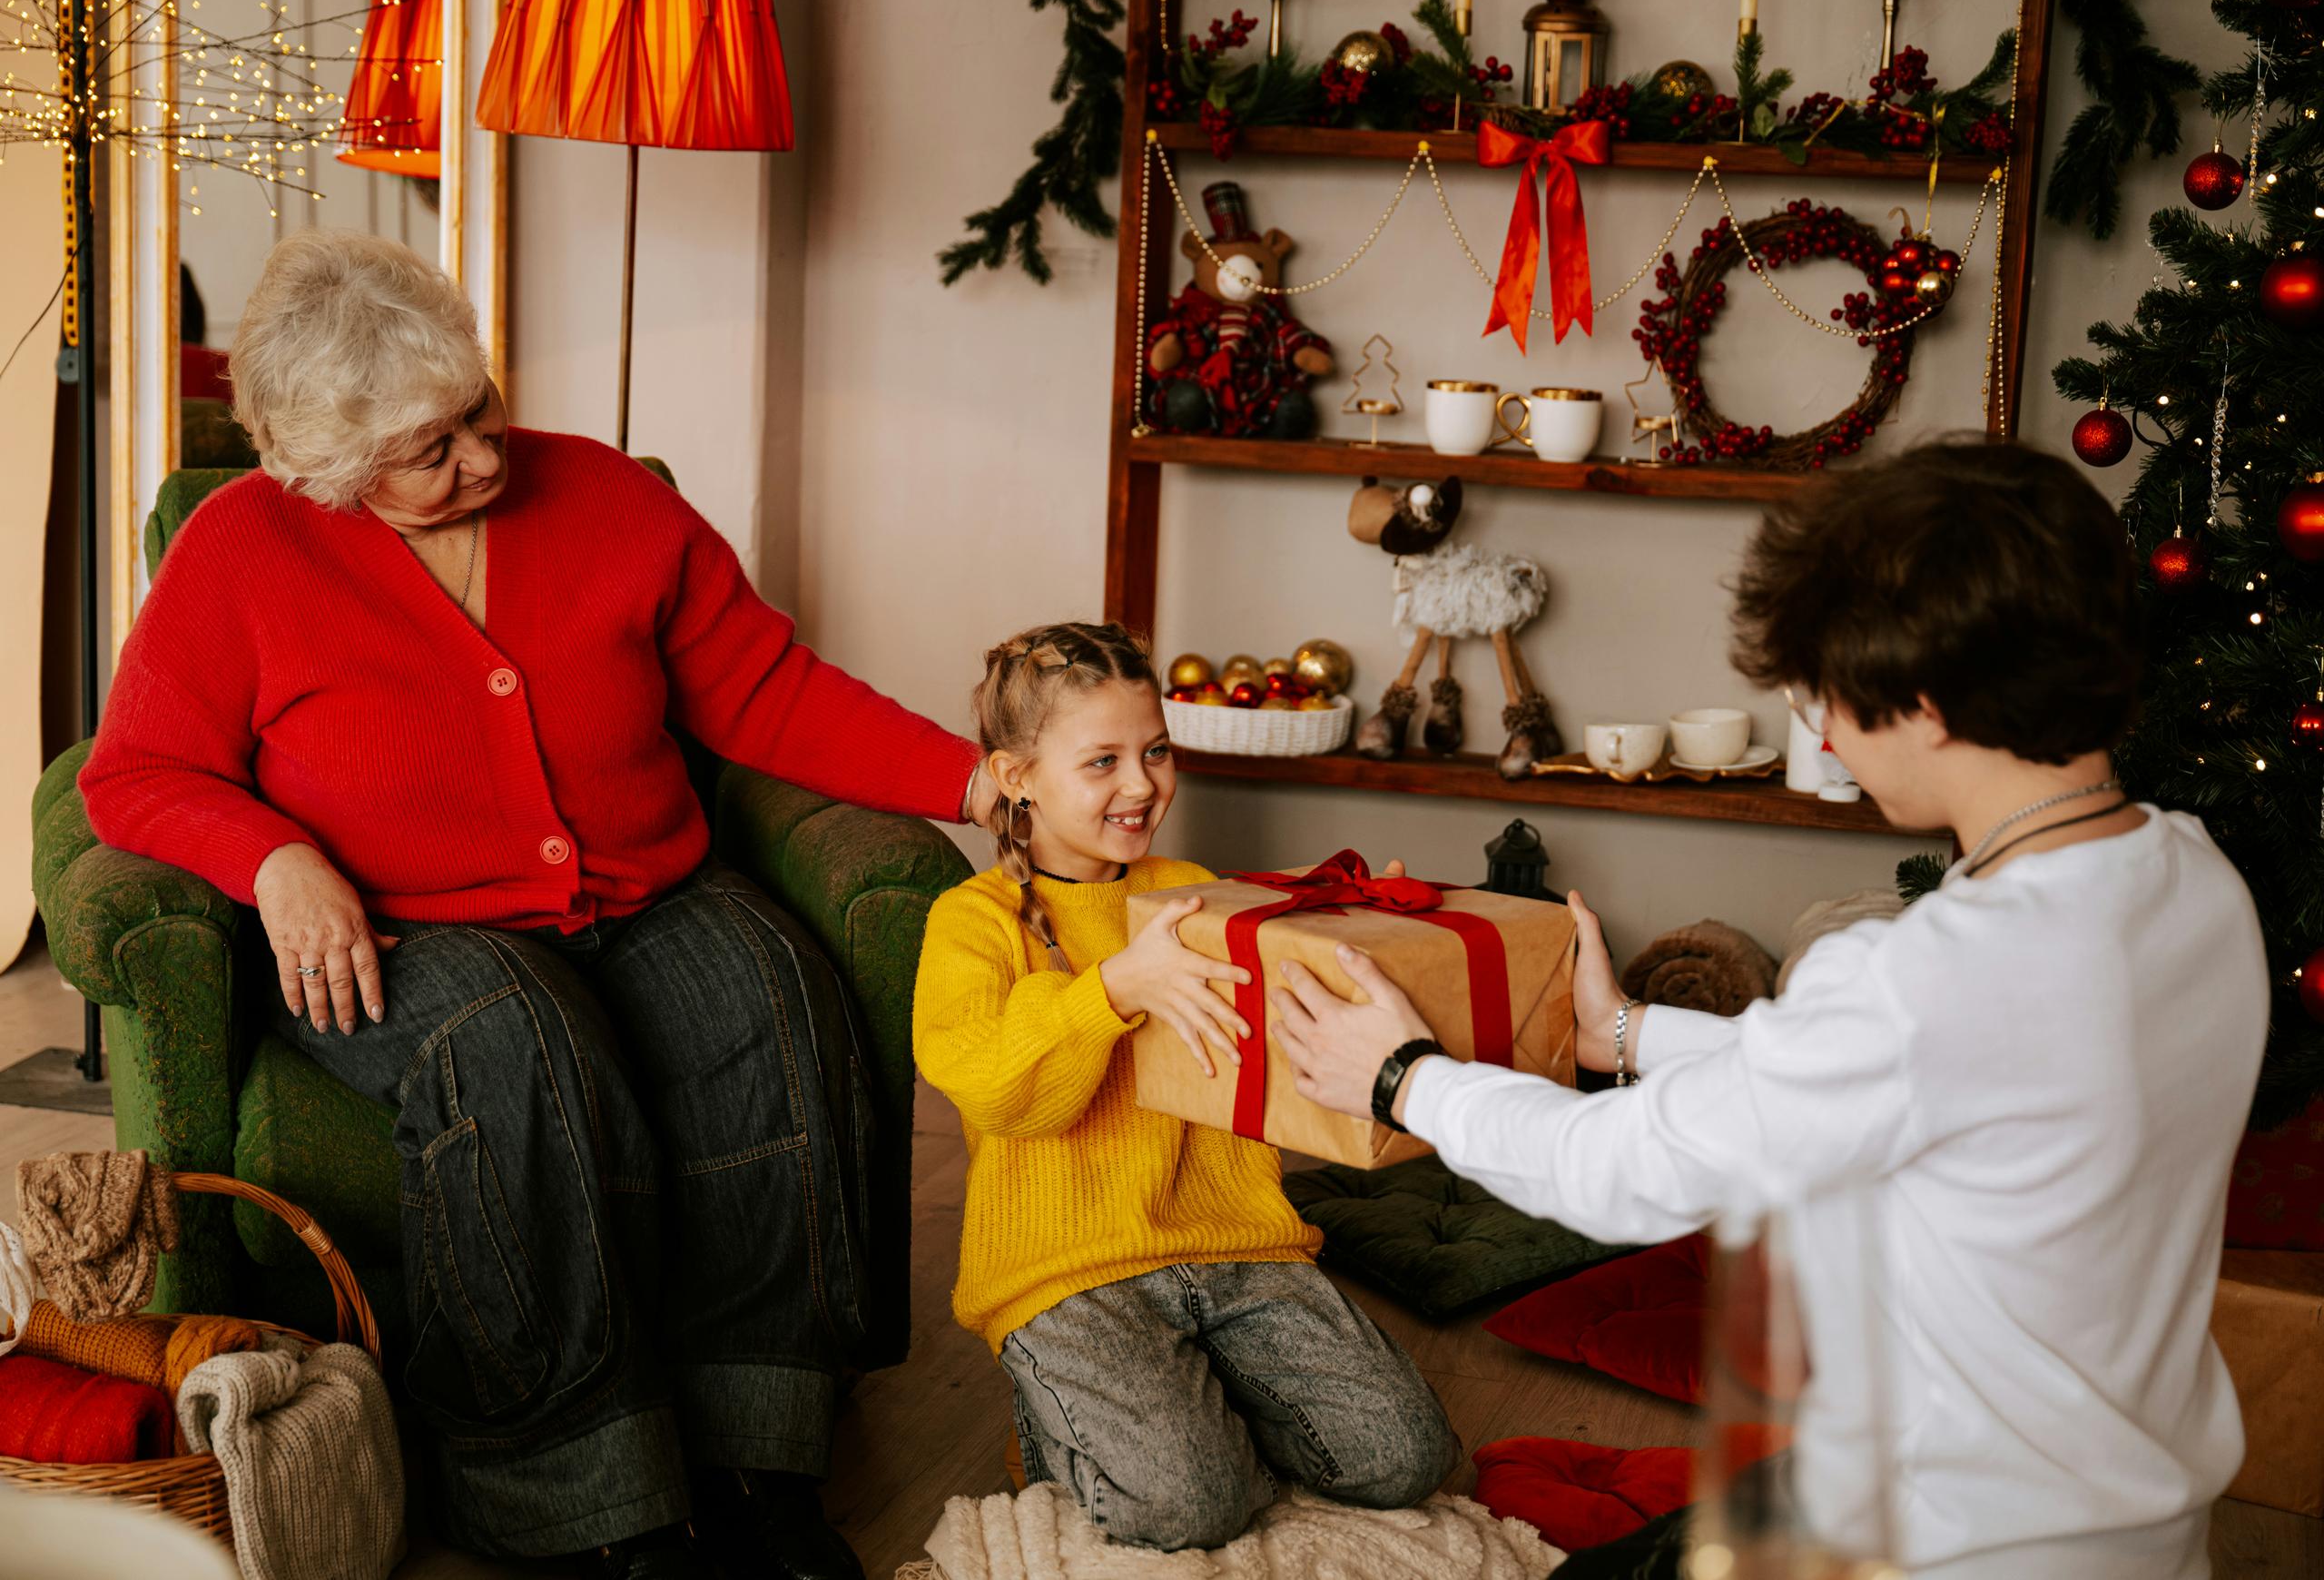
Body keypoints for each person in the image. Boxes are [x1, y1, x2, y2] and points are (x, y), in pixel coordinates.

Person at [81, 230, 999, 1580]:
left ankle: (762, 1464)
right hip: (410, 930)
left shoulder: (613, 499)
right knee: (516, 1052)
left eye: (480, 413)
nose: (485, 462)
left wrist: (979, 779)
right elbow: (133, 772)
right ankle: (585, 1502)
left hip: (644, 889)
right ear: (319, 466)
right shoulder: (243, 551)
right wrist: (274, 855)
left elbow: (765, 692)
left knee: (772, 1001)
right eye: (430, 450)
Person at [1268, 440, 2267, 1580]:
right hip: (2136, 1537)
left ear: (1928, 698)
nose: (1826, 731)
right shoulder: (2192, 880)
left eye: (1826, 692)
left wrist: (1402, 1075)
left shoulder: (1933, 973)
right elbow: (1923, 1080)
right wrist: (1629, 1033)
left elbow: (1619, 1172)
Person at [911, 622, 1460, 1553]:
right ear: (1015, 776)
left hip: (1233, 1242)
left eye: (1155, 750)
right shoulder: (971, 922)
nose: (1142, 785)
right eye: (1102, 761)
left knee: (1406, 1457)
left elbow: (1268, 1050)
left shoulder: (1192, 890)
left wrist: (1354, 939)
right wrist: (1113, 990)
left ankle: (1187, 1399)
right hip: (1068, 1272)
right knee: (1193, 1507)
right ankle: (1068, 1421)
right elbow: (998, 1089)